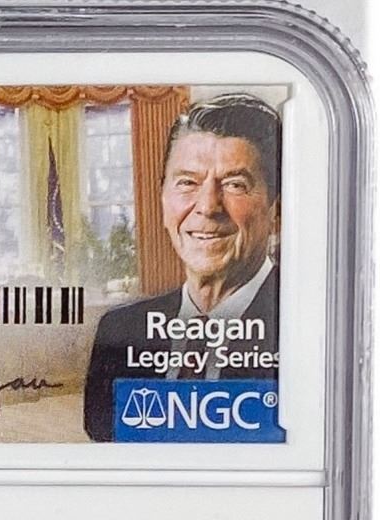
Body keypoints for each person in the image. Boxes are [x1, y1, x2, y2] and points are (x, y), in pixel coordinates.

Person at [83, 94, 281, 441]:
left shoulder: (307, 332)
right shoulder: (119, 330)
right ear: (163, 200)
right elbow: (105, 440)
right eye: (187, 182)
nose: (207, 206)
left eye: (235, 184)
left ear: (275, 210)